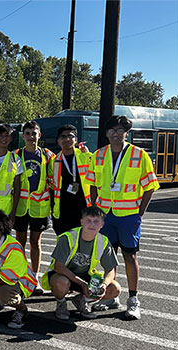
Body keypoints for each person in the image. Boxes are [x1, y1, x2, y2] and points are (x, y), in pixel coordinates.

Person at [86, 115, 159, 320]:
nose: (115, 134)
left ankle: (133, 299)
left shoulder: (139, 154)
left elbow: (150, 186)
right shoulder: (98, 155)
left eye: (120, 130)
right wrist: (94, 209)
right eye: (112, 130)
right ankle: (110, 296)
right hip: (105, 214)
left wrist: (140, 212)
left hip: (128, 215)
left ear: (127, 133)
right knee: (108, 257)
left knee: (129, 256)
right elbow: (92, 184)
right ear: (107, 133)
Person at [41, 206, 121, 320]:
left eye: (96, 221)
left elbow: (110, 270)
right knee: (61, 282)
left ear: (102, 224)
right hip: (64, 274)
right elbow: (59, 267)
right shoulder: (68, 237)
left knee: (114, 288)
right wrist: (82, 284)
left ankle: (82, 300)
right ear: (81, 222)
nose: (92, 224)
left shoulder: (103, 241)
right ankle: (61, 303)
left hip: (84, 275)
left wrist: (104, 285)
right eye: (88, 220)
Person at [13, 121, 55, 293]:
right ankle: (21, 275)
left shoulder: (48, 155)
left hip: (39, 207)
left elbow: (54, 179)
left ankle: (35, 278)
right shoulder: (15, 154)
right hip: (21, 206)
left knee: (36, 242)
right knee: (19, 242)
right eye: (28, 133)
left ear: (40, 135)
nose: (31, 137)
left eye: (34, 133)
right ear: (23, 136)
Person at [51, 124, 93, 235]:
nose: (67, 139)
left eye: (70, 136)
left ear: (76, 140)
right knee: (65, 245)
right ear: (58, 140)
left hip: (84, 209)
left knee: (83, 244)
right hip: (62, 211)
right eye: (63, 137)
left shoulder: (86, 156)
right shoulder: (54, 161)